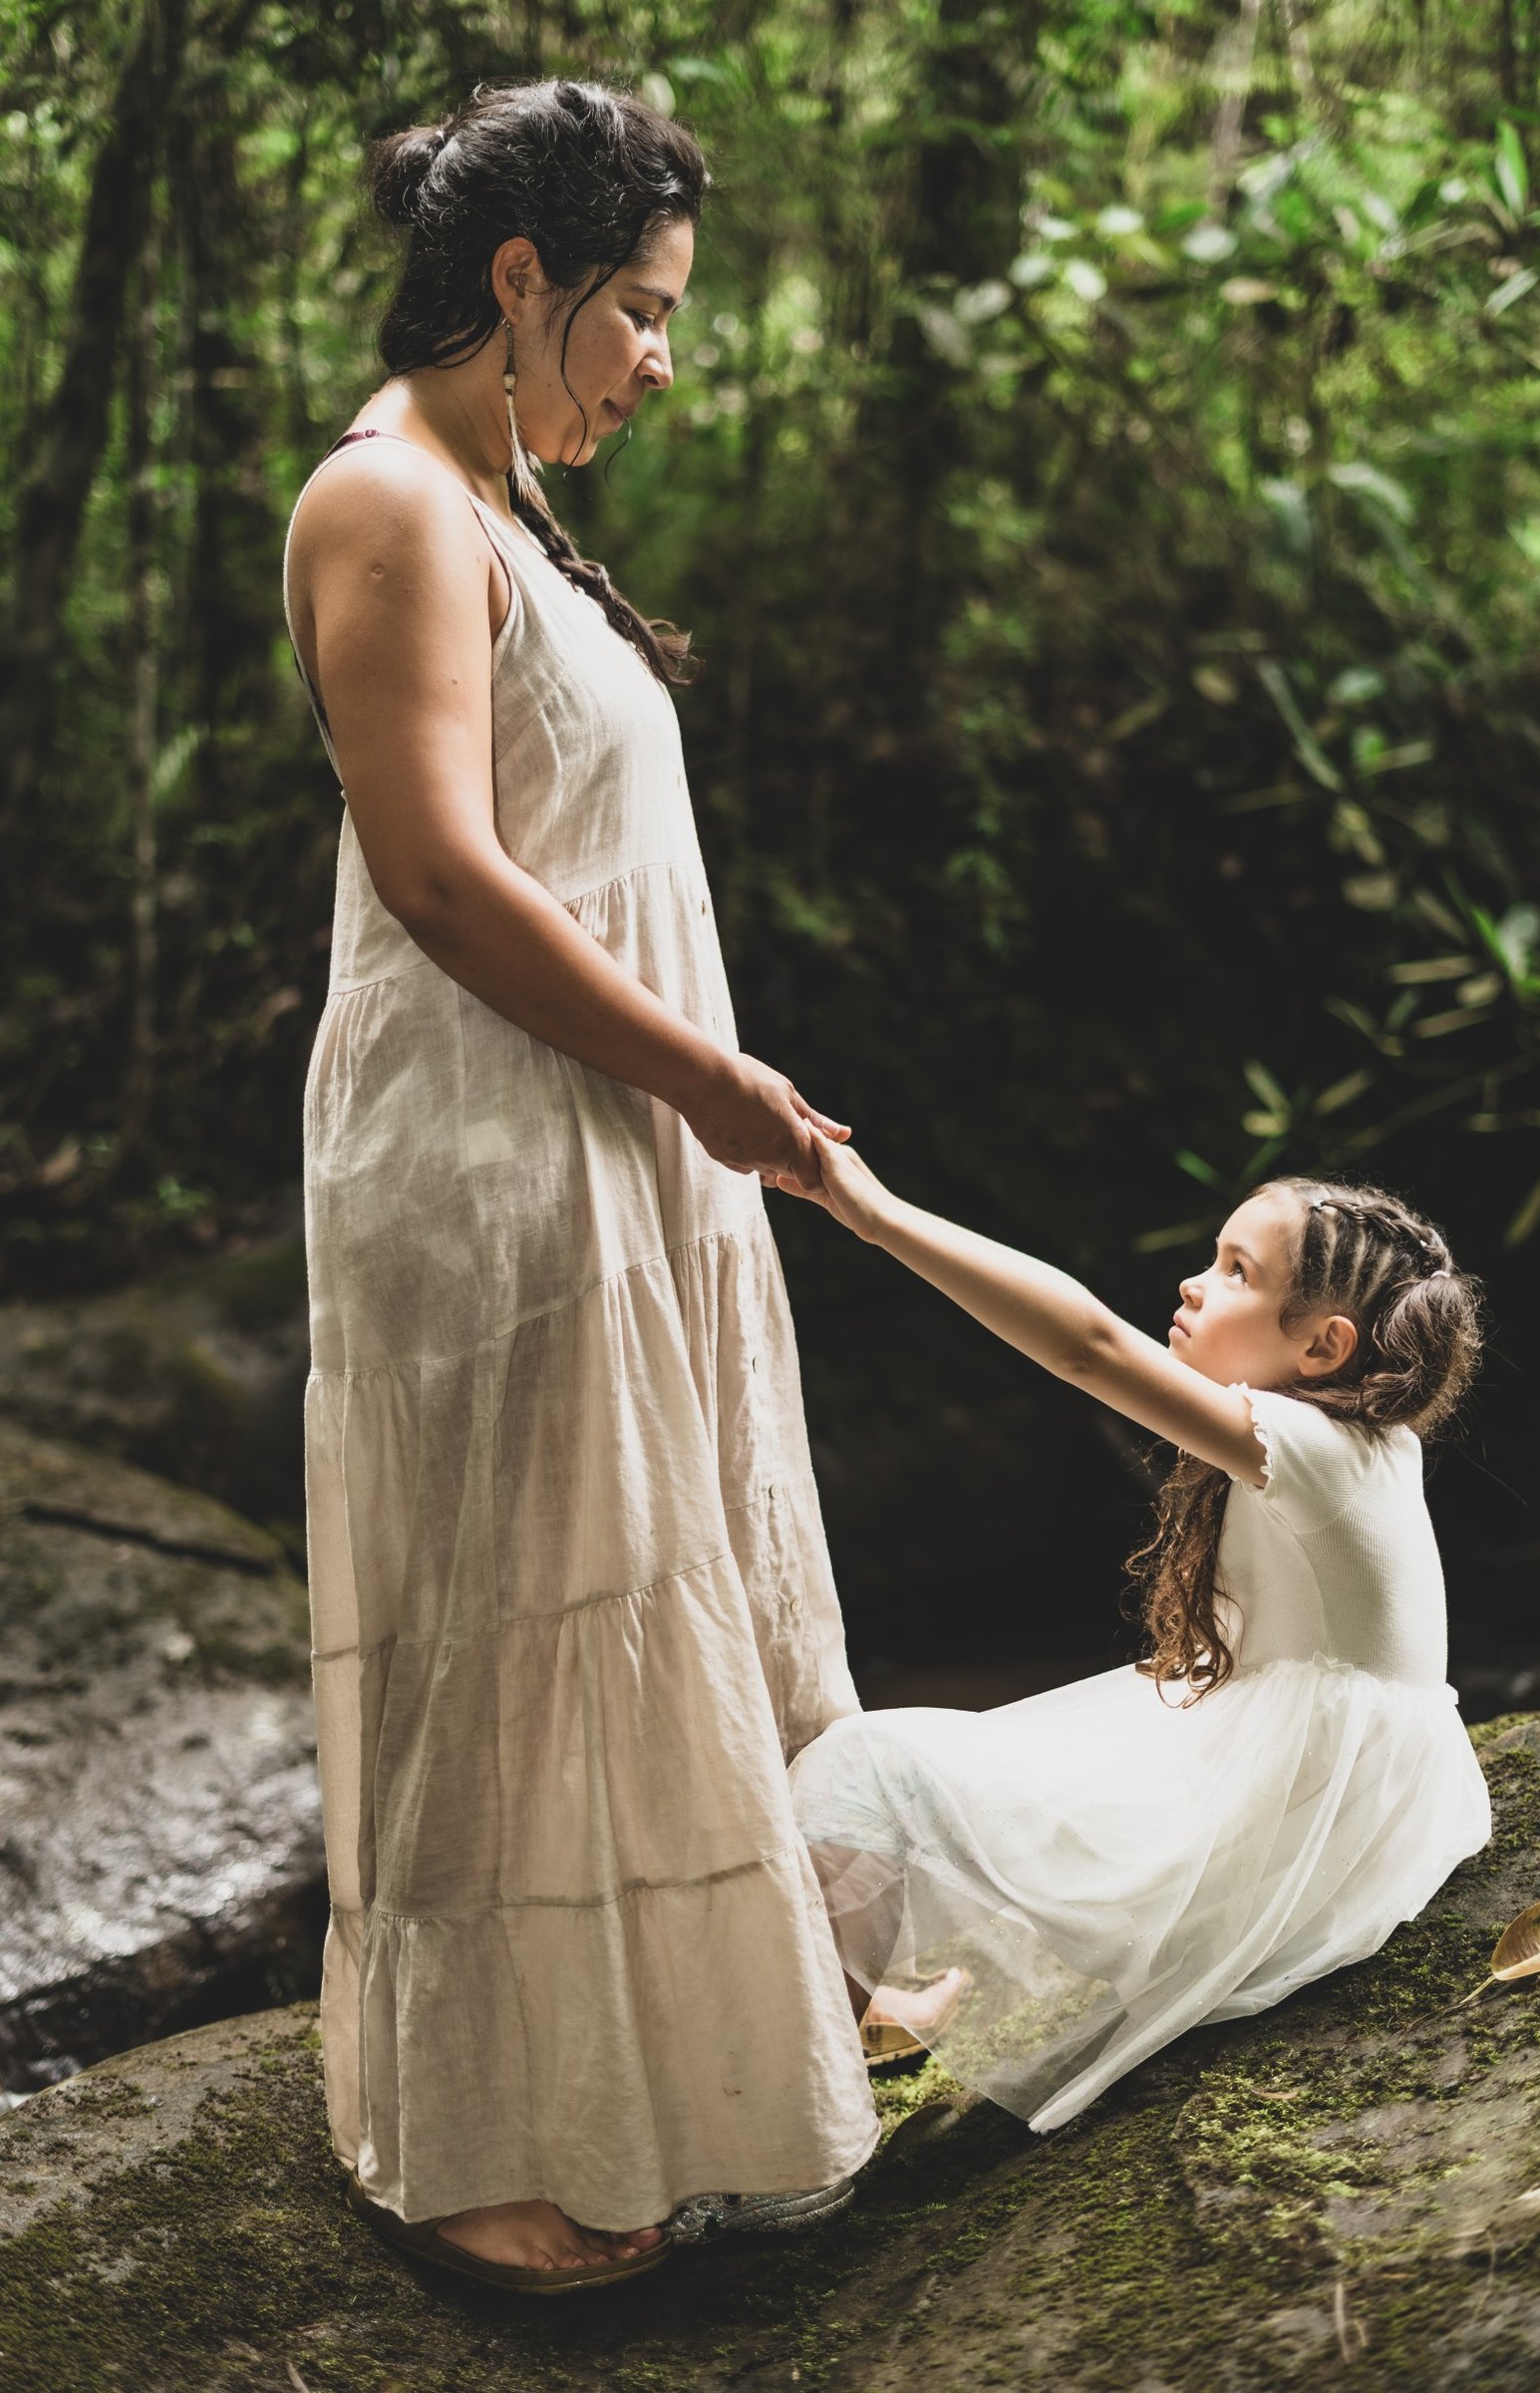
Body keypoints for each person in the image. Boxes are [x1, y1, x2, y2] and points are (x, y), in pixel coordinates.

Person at [280, 80, 877, 2293]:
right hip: (487, 1151)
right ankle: (457, 2129)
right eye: (636, 310)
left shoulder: (500, 503)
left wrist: (689, 1105)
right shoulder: (387, 507)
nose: (659, 358)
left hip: (608, 1134)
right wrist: (710, 1079)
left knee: (660, 1570)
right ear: (517, 280)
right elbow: (438, 874)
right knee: (500, 1631)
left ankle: (729, 2024)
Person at [779, 1152, 1492, 2130]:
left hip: (1283, 1808)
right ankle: (863, 1995)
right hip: (1337, 1789)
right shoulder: (1370, 1439)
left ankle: (798, 2121)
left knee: (863, 1767)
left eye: (1238, 1271)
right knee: (973, 1768)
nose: (1195, 1284)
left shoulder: (1312, 1446)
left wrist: (874, 1213)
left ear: (1324, 1347)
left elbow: (1090, 1348)